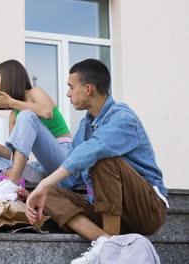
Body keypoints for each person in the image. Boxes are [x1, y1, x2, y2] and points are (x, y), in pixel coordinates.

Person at [23, 59, 168, 264]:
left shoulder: (123, 118)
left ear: (88, 88)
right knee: (48, 193)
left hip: (146, 210)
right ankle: (105, 241)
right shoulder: (85, 126)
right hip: (107, 210)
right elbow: (69, 182)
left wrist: (45, 183)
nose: (68, 93)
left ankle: (110, 254)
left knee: (101, 159)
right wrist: (36, 192)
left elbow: (94, 149)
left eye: (71, 87)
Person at [0, 59, 72, 201]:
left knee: (27, 115)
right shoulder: (13, 115)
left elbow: (47, 112)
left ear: (8, 79)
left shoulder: (35, 92)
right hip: (42, 167)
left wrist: (11, 102)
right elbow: (11, 154)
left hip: (63, 157)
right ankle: (14, 178)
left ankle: (13, 182)